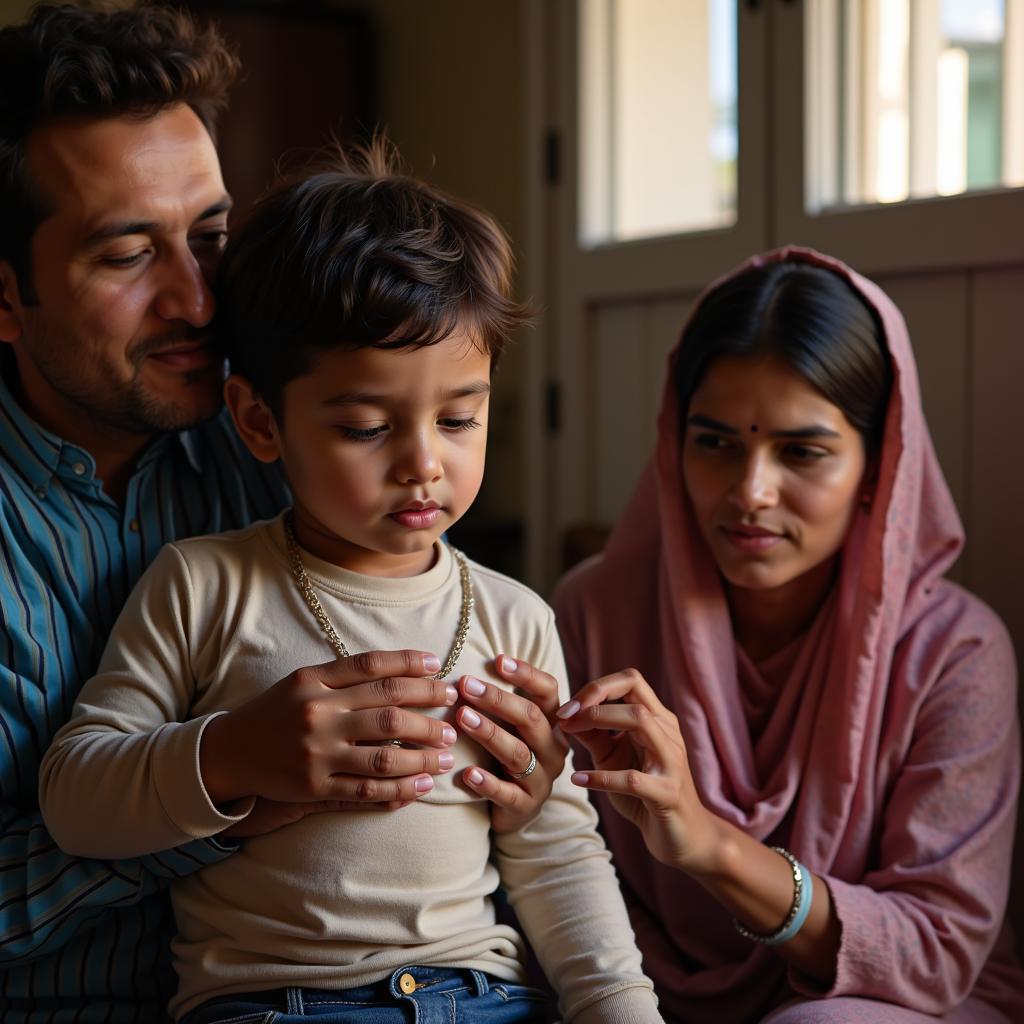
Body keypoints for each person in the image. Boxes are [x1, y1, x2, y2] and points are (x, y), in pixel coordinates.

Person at [0, 5, 557, 1020]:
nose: (200, 301)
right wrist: (231, 784)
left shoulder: (290, 436)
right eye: (126, 257)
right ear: (4, 297)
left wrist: (516, 776)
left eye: (210, 238)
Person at [38, 143, 663, 1024]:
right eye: (367, 426)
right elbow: (76, 798)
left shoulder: (515, 615)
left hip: (480, 993)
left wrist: (620, 1006)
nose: (422, 464)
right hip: (276, 1003)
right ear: (261, 421)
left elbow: (557, 850)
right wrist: (232, 756)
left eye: (458, 418)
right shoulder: (204, 585)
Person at [550, 247, 1024, 1023]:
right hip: (634, 983)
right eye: (715, 443)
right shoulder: (597, 614)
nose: (751, 492)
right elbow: (551, 870)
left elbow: (937, 949)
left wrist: (708, 845)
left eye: (801, 451)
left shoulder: (954, 654)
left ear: (880, 467)